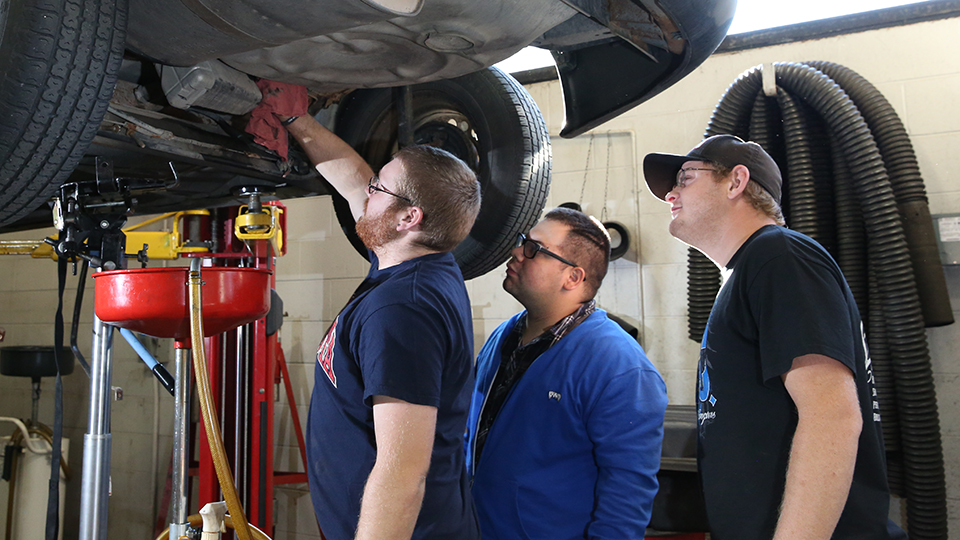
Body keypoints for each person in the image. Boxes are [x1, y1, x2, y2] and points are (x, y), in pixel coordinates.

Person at [643, 134, 907, 540]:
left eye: (685, 178)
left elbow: (832, 417)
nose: (670, 194)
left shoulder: (779, 256)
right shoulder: (749, 269)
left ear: (735, 182)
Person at [262, 82, 482, 540]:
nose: (368, 192)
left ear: (409, 219)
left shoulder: (402, 310)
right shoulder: (414, 262)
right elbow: (354, 181)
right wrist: (294, 120)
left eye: (380, 189)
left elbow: (402, 474)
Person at [465, 207, 668, 540]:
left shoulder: (616, 364)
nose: (516, 252)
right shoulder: (502, 338)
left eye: (533, 249)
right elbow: (470, 433)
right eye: (521, 242)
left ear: (573, 277)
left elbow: (627, 494)